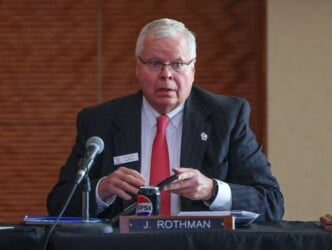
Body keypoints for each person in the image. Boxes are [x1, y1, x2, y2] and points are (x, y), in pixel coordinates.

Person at [47, 18, 284, 222]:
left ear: (193, 70)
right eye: (154, 63)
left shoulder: (228, 117)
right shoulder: (100, 120)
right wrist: (101, 190)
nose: (167, 74)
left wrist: (213, 190)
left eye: (178, 64)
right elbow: (59, 204)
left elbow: (271, 203)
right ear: (138, 68)